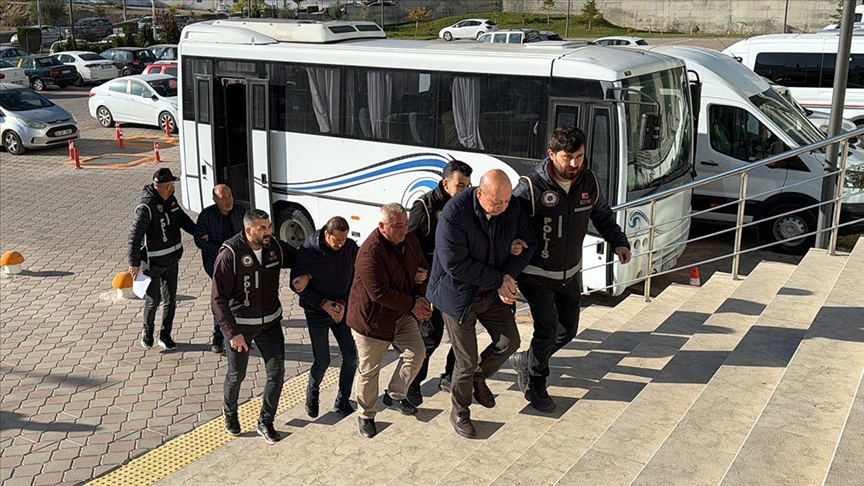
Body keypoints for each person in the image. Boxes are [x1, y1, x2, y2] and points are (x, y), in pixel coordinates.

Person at [510, 126, 632, 413]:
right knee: (547, 330)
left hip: (570, 273)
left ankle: (526, 361)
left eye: (579, 156)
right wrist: (510, 251)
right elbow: (507, 222)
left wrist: (619, 242)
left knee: (568, 332)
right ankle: (536, 385)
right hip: (536, 275)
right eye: (568, 158)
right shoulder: (530, 186)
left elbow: (601, 215)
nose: (575, 164)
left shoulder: (588, 180)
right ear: (551, 154)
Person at [427, 169, 537, 438]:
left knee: (509, 341)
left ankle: (479, 377)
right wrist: (499, 278)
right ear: (480, 193)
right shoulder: (455, 214)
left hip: (491, 289)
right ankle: (460, 412)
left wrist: (508, 275)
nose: (502, 208)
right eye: (496, 202)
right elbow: (455, 264)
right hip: (458, 294)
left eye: (506, 201)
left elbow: (530, 243)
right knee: (464, 361)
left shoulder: (510, 208)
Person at [211, 209, 296, 444]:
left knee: (276, 373)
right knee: (237, 375)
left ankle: (266, 422)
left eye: (268, 226)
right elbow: (217, 300)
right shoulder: (230, 255)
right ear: (249, 231)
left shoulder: (274, 248)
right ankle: (230, 413)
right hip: (241, 329)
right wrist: (232, 333)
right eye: (262, 228)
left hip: (271, 324)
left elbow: (301, 257)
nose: (268, 232)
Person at [347, 203, 431, 439]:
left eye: (405, 224)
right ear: (382, 227)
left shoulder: (410, 240)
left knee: (417, 352)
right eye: (397, 226)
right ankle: (366, 415)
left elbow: (423, 268)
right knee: (369, 371)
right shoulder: (369, 252)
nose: (403, 230)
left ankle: (394, 396)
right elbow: (380, 293)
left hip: (400, 314)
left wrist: (419, 294)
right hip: (372, 322)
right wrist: (413, 303)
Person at [406, 160, 472, 403]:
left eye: (468, 185)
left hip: (458, 282)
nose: (465, 189)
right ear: (445, 183)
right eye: (460, 185)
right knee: (430, 337)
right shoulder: (424, 207)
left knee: (462, 334)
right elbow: (408, 244)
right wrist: (417, 270)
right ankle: (412, 384)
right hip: (432, 284)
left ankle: (448, 376)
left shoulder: (467, 203)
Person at [290, 216, 359, 419]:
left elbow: (356, 277)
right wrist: (323, 304)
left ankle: (343, 400)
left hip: (340, 309)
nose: (341, 244)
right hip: (317, 312)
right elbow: (296, 285)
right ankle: (312, 392)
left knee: (351, 356)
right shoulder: (308, 252)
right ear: (326, 234)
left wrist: (344, 304)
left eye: (344, 239)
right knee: (323, 360)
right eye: (337, 240)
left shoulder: (350, 248)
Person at [127, 168, 196, 351]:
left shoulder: (171, 201)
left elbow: (183, 220)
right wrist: (134, 264)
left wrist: (199, 233)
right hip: (152, 264)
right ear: (164, 187)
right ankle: (147, 331)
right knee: (153, 300)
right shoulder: (146, 208)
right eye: (171, 184)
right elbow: (134, 237)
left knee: (170, 300)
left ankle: (165, 335)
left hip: (172, 260)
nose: (174, 187)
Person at [194, 184, 245, 354]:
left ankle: (241, 331)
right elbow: (199, 240)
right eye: (223, 197)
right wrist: (223, 252)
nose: (228, 200)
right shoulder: (206, 216)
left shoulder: (240, 211)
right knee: (221, 300)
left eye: (229, 196)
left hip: (240, 264)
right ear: (215, 199)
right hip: (216, 266)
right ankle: (218, 336)